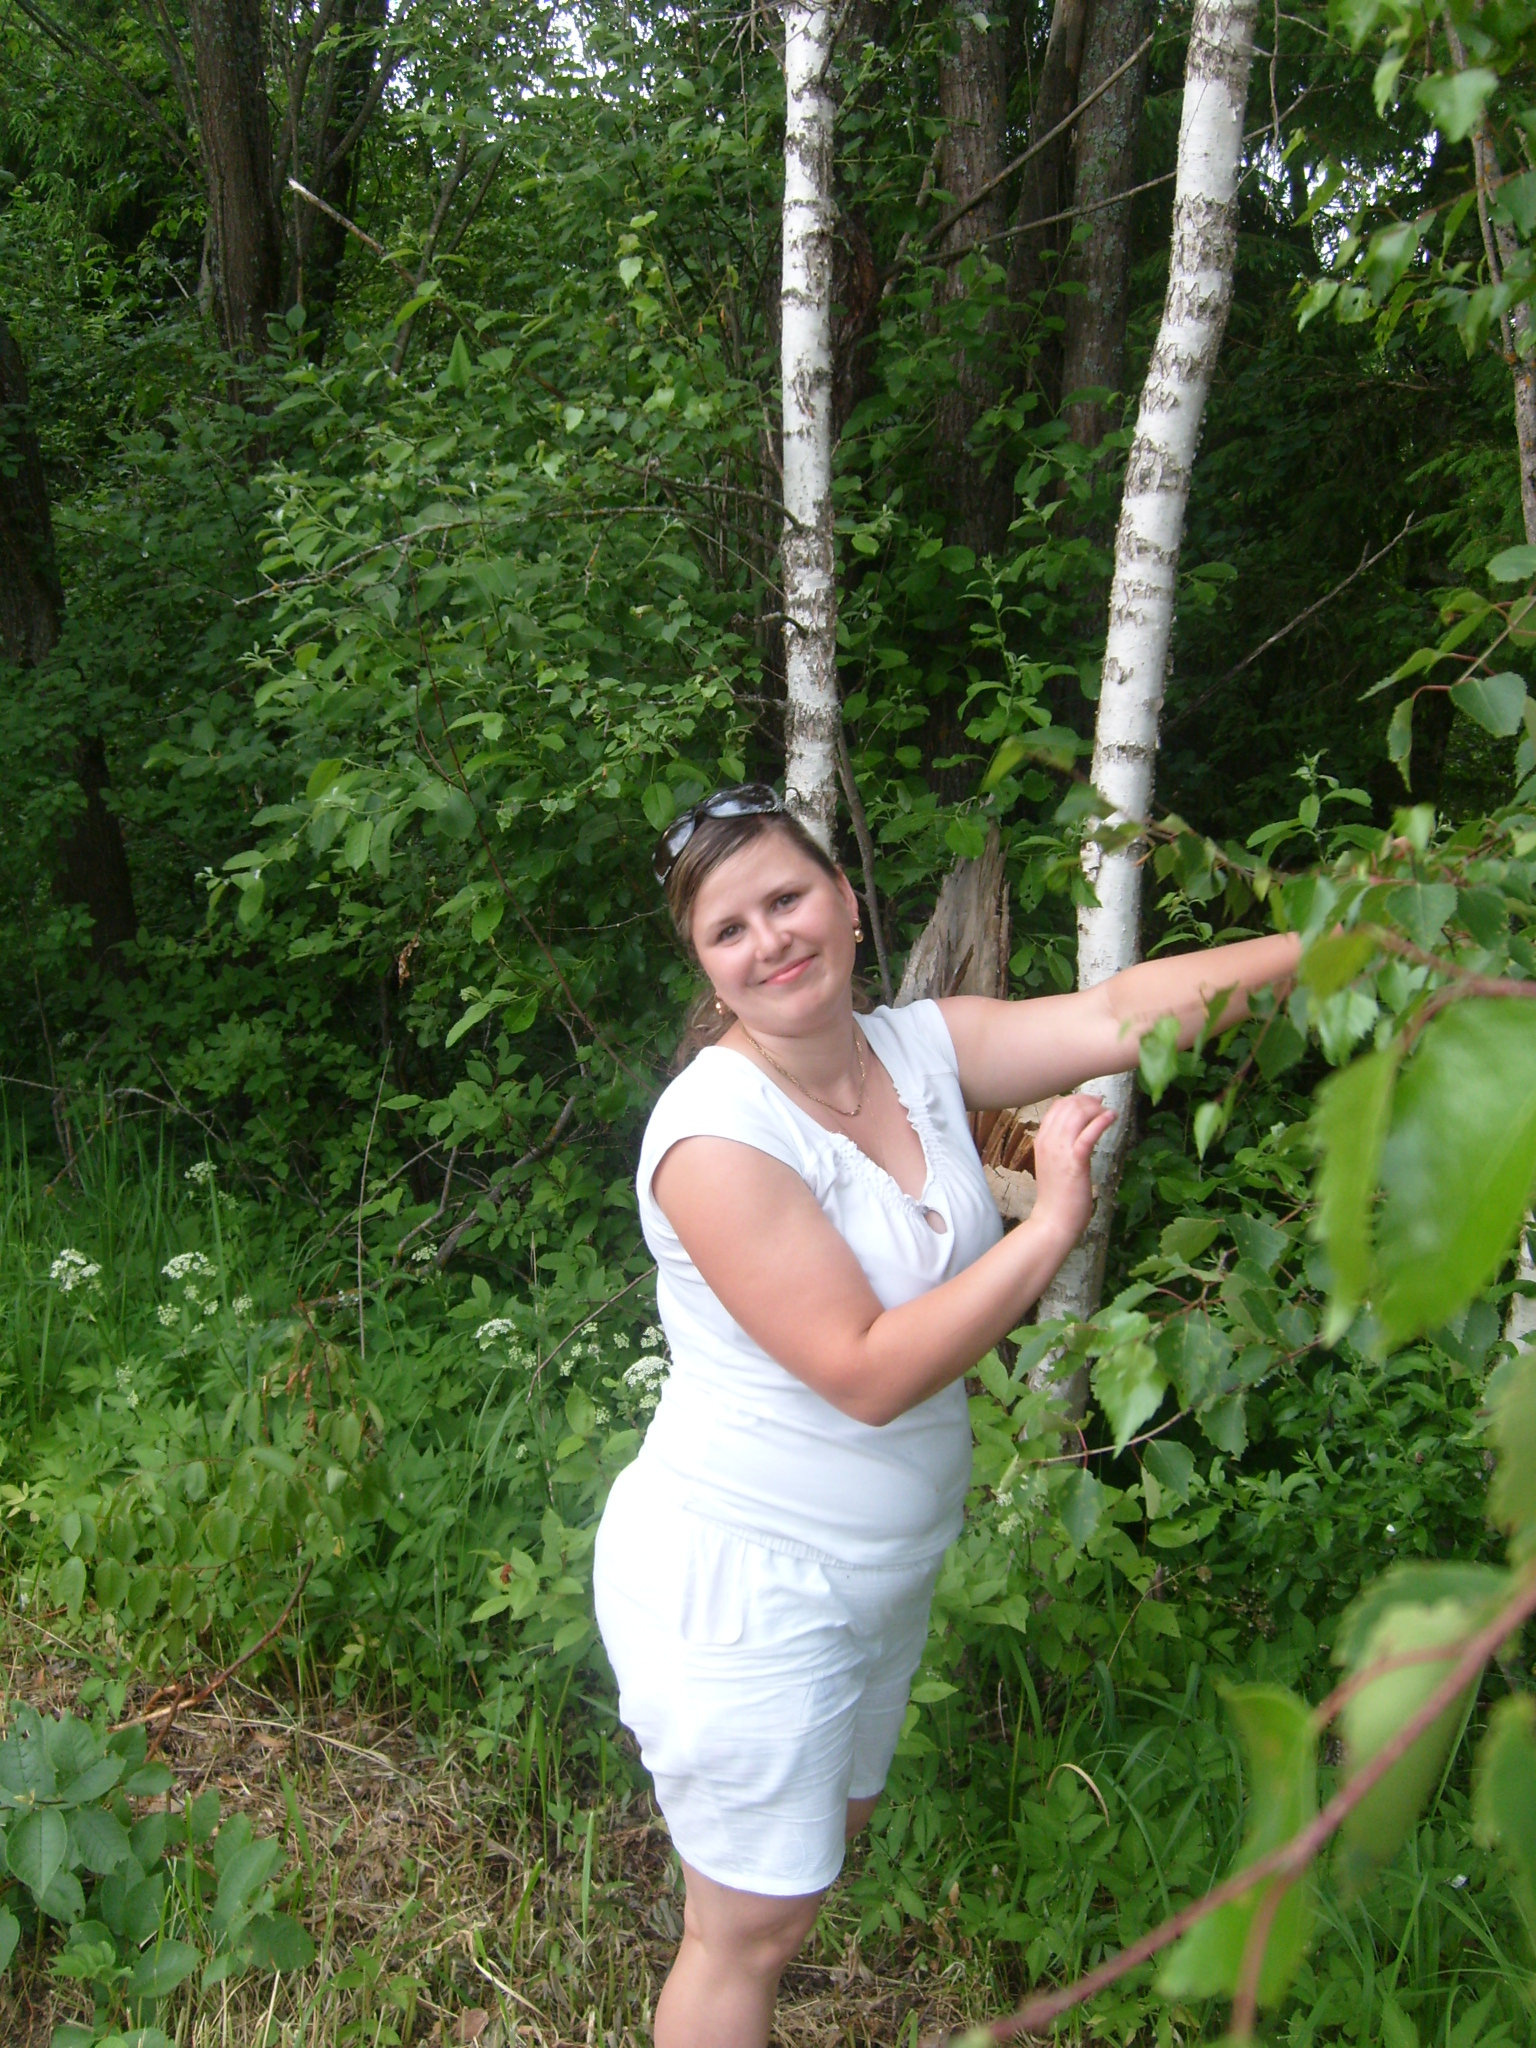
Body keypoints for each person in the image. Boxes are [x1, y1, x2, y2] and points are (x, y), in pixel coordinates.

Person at [593, 784, 1300, 2048]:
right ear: (704, 964)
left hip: (877, 1572)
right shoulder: (714, 1133)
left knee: (804, 1881)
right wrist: (1055, 1222)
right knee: (744, 1933)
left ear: (845, 900)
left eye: (787, 898)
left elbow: (1120, 1012)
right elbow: (865, 1371)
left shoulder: (916, 1048)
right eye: (729, 928)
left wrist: (1335, 940)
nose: (770, 939)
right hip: (743, 1579)